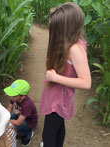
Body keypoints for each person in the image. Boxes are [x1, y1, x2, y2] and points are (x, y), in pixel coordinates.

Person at [39, 2, 91, 147]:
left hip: (58, 99)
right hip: (56, 96)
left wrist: (55, 78)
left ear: (67, 28)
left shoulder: (75, 48)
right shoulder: (70, 42)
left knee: (49, 134)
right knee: (58, 127)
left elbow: (86, 82)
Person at [4, 79, 38, 146]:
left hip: (29, 121)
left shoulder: (27, 105)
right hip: (19, 114)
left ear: (23, 97)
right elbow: (9, 108)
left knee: (12, 131)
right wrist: (5, 117)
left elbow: (18, 122)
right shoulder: (13, 98)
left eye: (13, 95)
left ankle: (28, 132)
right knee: (7, 124)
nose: (10, 97)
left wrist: (6, 121)